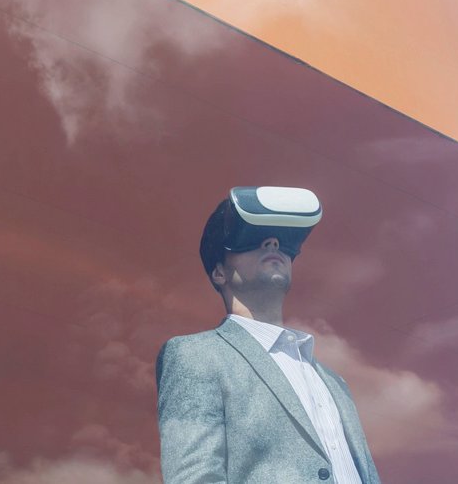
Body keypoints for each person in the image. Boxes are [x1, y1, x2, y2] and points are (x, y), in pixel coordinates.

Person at [156, 187, 380, 483]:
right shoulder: (195, 356)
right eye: (252, 237)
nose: (273, 242)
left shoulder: (334, 383)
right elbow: (195, 477)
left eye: (280, 240)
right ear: (219, 273)